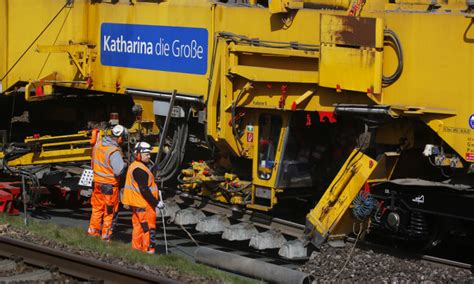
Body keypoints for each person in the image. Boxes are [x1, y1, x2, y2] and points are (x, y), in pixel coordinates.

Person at [122, 142, 164, 254]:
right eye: (147, 154)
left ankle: (136, 249)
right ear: (139, 154)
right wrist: (156, 203)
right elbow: (144, 190)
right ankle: (148, 250)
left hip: (137, 204)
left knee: (138, 228)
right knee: (148, 229)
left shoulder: (135, 166)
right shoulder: (140, 170)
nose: (149, 156)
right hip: (144, 206)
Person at [88, 124, 127, 241]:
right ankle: (105, 236)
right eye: (123, 138)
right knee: (110, 212)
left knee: (97, 209)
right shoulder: (114, 151)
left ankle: (93, 232)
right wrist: (125, 164)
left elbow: (93, 162)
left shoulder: (99, 144)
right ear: (119, 138)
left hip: (97, 183)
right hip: (109, 186)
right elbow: (119, 171)